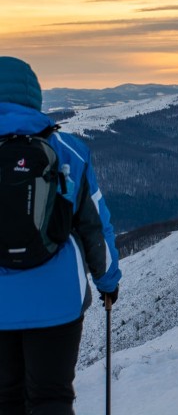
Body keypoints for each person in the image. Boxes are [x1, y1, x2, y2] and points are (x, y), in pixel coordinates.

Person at [0, 56, 122, 415]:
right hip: (57, 299)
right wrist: (107, 282)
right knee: (52, 398)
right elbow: (94, 225)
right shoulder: (69, 149)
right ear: (35, 97)